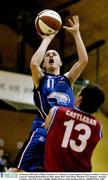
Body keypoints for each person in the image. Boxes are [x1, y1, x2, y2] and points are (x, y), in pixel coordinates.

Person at [11, 15, 88, 172]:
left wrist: (76, 33)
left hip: (64, 134)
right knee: (16, 172)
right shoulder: (40, 78)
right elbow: (33, 64)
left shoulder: (68, 79)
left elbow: (83, 61)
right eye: (48, 55)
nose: (51, 56)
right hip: (42, 130)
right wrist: (47, 39)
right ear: (44, 64)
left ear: (60, 62)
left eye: (54, 54)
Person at [44, 83, 105, 172]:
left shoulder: (57, 111)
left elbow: (46, 127)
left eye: (79, 92)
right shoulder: (98, 126)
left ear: (80, 98)